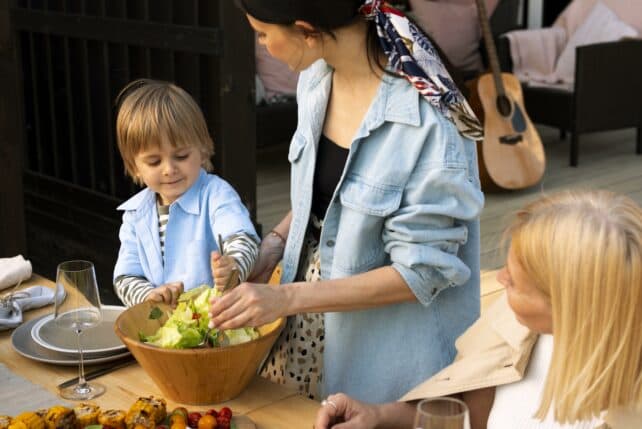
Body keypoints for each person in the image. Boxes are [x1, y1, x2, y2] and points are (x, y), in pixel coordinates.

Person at [208, 0, 485, 402]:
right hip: (303, 332)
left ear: (305, 29)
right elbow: (329, 198)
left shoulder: (429, 123)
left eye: (263, 34)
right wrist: (274, 247)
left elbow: (421, 273)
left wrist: (284, 298)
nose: (263, 46)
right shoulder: (317, 76)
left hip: (383, 357)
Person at [314, 189, 642, 429]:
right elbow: (465, 416)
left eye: (514, 282)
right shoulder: (515, 327)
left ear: (569, 306)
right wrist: (378, 416)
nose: (498, 279)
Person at [112, 79, 260, 307]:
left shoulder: (216, 194)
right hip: (160, 329)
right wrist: (149, 296)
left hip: (217, 323)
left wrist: (234, 265)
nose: (169, 169)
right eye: (153, 161)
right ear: (135, 167)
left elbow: (243, 238)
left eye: (181, 156)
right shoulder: (135, 214)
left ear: (202, 150)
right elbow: (125, 277)